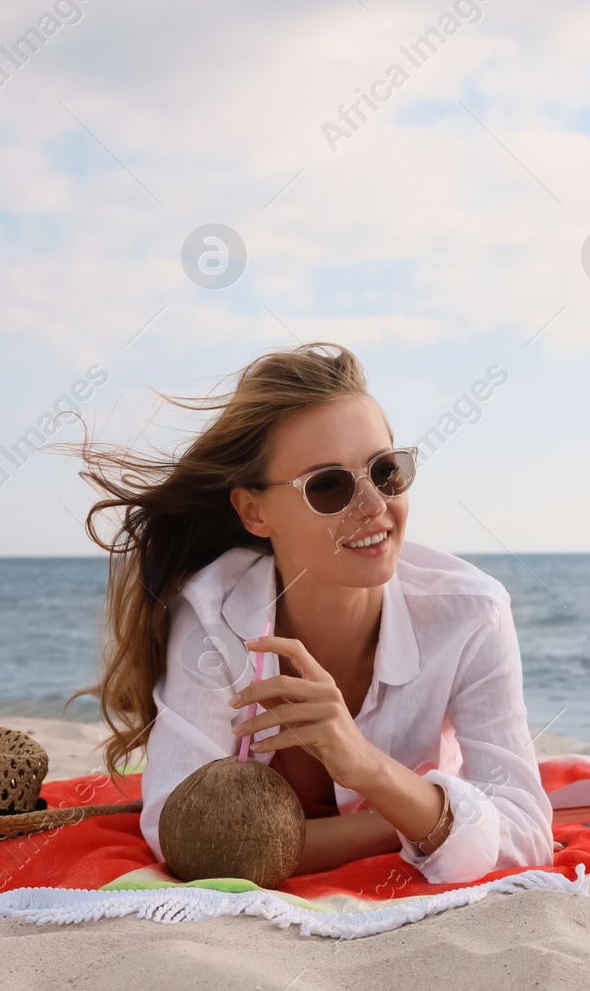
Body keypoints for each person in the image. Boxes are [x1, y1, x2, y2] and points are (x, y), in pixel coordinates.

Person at [73, 343, 551, 883]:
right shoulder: (213, 617)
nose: (375, 505)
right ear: (254, 511)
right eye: (329, 486)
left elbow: (527, 835)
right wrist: (411, 818)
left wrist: (366, 767)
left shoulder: (471, 612)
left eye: (385, 470)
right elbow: (179, 833)